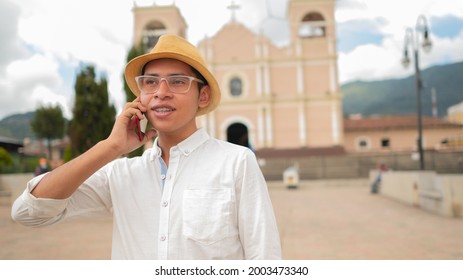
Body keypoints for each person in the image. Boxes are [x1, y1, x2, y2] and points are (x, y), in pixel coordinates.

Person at [11, 34, 282, 260]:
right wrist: (111, 146)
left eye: (178, 81)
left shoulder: (236, 163)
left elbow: (265, 259)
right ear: (140, 97)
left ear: (203, 95)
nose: (161, 91)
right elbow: (27, 212)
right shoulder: (120, 174)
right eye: (150, 82)